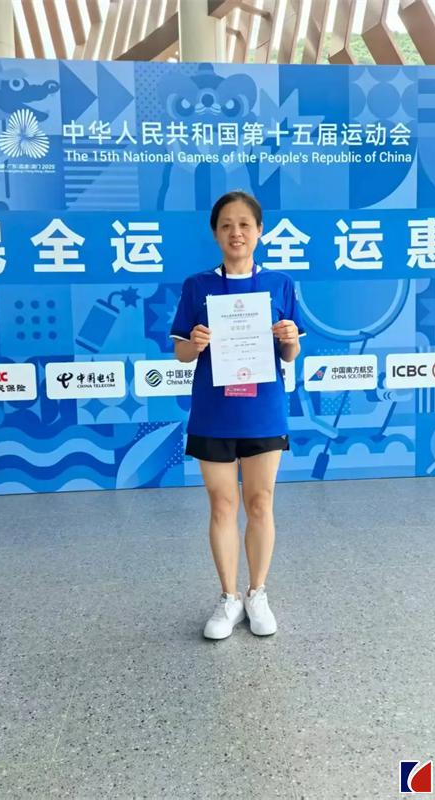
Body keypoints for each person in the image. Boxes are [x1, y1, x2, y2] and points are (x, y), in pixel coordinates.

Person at [170, 190, 305, 640]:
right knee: (223, 504)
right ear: (215, 233)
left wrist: (290, 338)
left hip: (263, 411)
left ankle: (257, 593)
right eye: (226, 225)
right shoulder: (197, 286)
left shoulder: (280, 284)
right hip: (214, 412)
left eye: (245, 224)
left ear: (260, 231)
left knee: (260, 502)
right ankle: (229, 597)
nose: (236, 232)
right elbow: (181, 354)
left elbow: (290, 354)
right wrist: (195, 343)